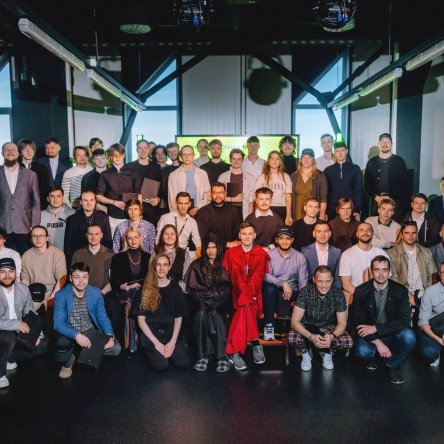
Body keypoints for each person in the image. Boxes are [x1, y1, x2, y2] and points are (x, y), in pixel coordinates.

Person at [350, 255, 416, 384]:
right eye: (377, 270)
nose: (381, 274)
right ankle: (373, 357)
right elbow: (358, 323)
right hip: (370, 335)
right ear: (371, 270)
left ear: (389, 271)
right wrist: (378, 343)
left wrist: (376, 328)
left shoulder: (400, 290)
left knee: (409, 336)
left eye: (384, 270)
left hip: (391, 332)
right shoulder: (361, 291)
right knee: (363, 352)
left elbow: (405, 320)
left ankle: (392, 365)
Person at [53, 262, 121, 379]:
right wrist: (76, 335)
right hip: (70, 333)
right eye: (77, 277)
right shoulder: (61, 295)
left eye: (84, 277)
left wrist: (109, 335)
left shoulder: (96, 293)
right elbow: (58, 324)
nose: (81, 281)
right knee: (61, 343)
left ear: (88, 278)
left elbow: (102, 317)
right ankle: (68, 362)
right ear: (70, 278)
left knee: (116, 347)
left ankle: (82, 353)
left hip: (89, 331)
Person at [131, 253, 190, 371]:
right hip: (151, 333)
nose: (161, 268)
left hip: (169, 332)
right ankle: (152, 352)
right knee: (161, 365)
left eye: (165, 265)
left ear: (169, 267)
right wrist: (157, 344)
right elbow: (141, 321)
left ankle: (170, 350)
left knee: (183, 363)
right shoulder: (145, 289)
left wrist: (172, 342)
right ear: (154, 267)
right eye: (158, 265)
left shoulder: (176, 289)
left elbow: (178, 318)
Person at [223, 222, 269, 371]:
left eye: (250, 234)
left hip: (255, 295)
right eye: (244, 234)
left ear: (254, 235)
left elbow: (257, 278)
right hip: (235, 294)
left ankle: (234, 350)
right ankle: (255, 342)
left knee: (245, 306)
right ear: (239, 236)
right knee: (245, 304)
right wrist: (245, 295)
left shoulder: (260, 253)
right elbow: (235, 277)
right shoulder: (231, 253)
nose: (247, 237)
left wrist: (248, 295)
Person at [289, 265, 352, 371]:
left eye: (327, 281)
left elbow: (342, 323)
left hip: (328, 327)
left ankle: (328, 354)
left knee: (347, 341)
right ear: (314, 280)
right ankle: (305, 354)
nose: (324, 285)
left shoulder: (338, 294)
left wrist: (332, 336)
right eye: (320, 281)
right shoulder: (305, 292)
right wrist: (311, 337)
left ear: (332, 280)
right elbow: (294, 322)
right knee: (292, 336)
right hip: (308, 327)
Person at [185, 234, 231, 372]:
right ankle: (203, 356)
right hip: (201, 303)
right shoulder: (196, 265)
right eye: (208, 248)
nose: (211, 251)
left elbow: (228, 288)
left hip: (221, 303)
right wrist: (207, 299)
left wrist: (214, 298)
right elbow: (192, 288)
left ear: (218, 248)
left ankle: (222, 357)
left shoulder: (225, 264)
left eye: (214, 247)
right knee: (201, 315)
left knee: (217, 314)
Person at [0, 258, 48, 389]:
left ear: (16, 272)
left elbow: (30, 312)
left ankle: (8, 357)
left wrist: (35, 334)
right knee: (7, 337)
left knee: (42, 345)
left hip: (18, 330)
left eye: (10, 271)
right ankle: (0, 374)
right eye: (2, 272)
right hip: (3, 331)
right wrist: (17, 324)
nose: (7, 275)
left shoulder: (23, 289)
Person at [263, 226, 308, 340]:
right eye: (281, 238)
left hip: (292, 292)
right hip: (274, 290)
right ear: (276, 240)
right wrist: (283, 283)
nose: (284, 241)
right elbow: (266, 275)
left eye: (287, 238)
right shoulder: (269, 255)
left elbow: (302, 282)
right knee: (269, 288)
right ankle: (269, 326)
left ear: (292, 240)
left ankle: (297, 330)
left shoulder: (300, 257)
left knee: (303, 294)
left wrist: (302, 299)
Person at [110, 227, 151, 351]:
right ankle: (133, 343)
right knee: (132, 298)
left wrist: (141, 286)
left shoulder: (148, 257)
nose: (133, 241)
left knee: (138, 296)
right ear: (126, 240)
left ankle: (136, 342)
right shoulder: (118, 257)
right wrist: (124, 286)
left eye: (136, 237)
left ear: (140, 238)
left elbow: (151, 278)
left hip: (143, 290)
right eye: (130, 238)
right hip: (125, 291)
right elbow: (114, 280)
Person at [0, 142, 40, 255]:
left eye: (13, 150)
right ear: (2, 153)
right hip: (3, 227)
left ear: (18, 153)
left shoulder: (31, 175)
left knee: (26, 258)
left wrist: (35, 225)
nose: (10, 152)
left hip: (25, 226)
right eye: (7, 150)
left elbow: (36, 202)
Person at [388, 221, 436, 307]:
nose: (410, 236)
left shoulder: (426, 252)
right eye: (407, 233)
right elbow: (393, 279)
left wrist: (428, 295)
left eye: (413, 233)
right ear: (401, 235)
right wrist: (409, 295)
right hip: (401, 296)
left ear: (417, 234)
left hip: (423, 295)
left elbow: (432, 276)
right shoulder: (392, 253)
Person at [339, 222, 389, 305]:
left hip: (378, 297)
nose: (365, 233)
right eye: (361, 230)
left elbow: (387, 280)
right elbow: (346, 284)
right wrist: (363, 297)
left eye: (368, 230)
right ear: (357, 234)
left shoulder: (382, 254)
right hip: (355, 295)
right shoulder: (347, 254)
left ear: (372, 234)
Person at [96, 143, 139, 236]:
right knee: (115, 243)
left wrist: (139, 213)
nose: (118, 158)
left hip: (131, 216)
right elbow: (98, 196)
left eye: (120, 155)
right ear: (111, 157)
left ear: (124, 155)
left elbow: (138, 194)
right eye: (115, 155)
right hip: (113, 216)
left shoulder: (133, 173)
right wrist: (114, 202)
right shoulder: (104, 174)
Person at [364, 133, 408, 222]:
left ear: (391, 144)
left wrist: (391, 197)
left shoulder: (399, 161)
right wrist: (376, 197)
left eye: (387, 142)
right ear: (378, 144)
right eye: (382, 142)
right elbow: (367, 185)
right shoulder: (371, 162)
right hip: (377, 203)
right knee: (376, 228)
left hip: (395, 203)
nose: (385, 144)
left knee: (395, 228)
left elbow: (404, 184)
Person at [21, 225, 67, 306]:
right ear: (31, 239)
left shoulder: (57, 254)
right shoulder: (26, 255)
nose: (38, 239)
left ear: (47, 238)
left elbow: (61, 278)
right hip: (34, 292)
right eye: (34, 236)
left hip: (53, 292)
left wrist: (51, 298)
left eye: (41, 236)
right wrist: (27, 298)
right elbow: (25, 279)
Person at [64, 190, 112, 267]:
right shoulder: (72, 220)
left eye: (91, 200)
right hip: (80, 260)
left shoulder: (103, 218)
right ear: (80, 202)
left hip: (100, 259)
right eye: (85, 200)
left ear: (95, 201)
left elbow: (108, 241)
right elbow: (69, 246)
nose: (89, 203)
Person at [124, 139, 162, 226]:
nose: (143, 151)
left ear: (149, 150)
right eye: (140, 148)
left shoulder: (156, 167)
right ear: (136, 150)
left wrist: (158, 199)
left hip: (151, 209)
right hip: (134, 209)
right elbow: (125, 188)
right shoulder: (129, 167)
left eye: (145, 148)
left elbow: (161, 189)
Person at [324, 141, 364, 221]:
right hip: (332, 208)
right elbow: (325, 192)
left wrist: (357, 209)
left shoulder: (355, 169)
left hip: (350, 208)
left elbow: (359, 190)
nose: (340, 153)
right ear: (334, 153)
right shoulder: (328, 170)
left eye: (342, 150)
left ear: (346, 151)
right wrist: (325, 211)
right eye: (337, 151)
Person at [168, 145, 211, 216]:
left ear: (193, 156)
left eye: (189, 154)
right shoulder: (173, 175)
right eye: (184, 154)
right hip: (180, 212)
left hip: (200, 210)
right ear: (181, 156)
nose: (187, 157)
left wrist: (197, 207)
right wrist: (176, 215)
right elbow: (172, 199)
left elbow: (207, 194)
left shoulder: (202, 173)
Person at [196, 182, 242, 249]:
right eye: (215, 193)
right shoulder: (202, 213)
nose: (218, 195)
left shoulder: (234, 211)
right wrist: (226, 244)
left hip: (230, 250)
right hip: (212, 250)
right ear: (211, 194)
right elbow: (205, 236)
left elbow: (237, 232)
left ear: (225, 194)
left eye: (221, 192)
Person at [156, 192, 202, 259]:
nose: (183, 207)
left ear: (189, 204)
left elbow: (198, 244)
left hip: (182, 254)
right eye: (180, 203)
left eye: (186, 203)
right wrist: (162, 255)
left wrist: (197, 258)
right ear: (176, 203)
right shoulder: (165, 218)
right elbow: (157, 239)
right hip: (165, 252)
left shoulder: (192, 222)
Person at [71, 224, 113, 294]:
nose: (93, 237)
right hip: (83, 293)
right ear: (86, 235)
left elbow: (113, 279)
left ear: (101, 235)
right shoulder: (77, 254)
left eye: (96, 234)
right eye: (90, 234)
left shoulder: (110, 254)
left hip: (104, 293)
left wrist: (102, 293)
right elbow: (73, 277)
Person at [254, 150, 292, 225]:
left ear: (280, 162)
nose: (275, 161)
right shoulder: (262, 177)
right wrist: (256, 214)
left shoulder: (286, 177)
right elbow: (256, 197)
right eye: (272, 158)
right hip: (266, 209)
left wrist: (288, 216)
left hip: (281, 210)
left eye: (277, 159)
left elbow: (288, 199)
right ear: (268, 161)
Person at [217, 148, 256, 221]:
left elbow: (251, 202)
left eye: (239, 159)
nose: (236, 162)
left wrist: (249, 219)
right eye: (234, 159)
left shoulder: (251, 178)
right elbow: (217, 197)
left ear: (242, 160)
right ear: (230, 160)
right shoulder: (222, 177)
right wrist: (232, 199)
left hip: (243, 213)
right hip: (225, 213)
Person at [418, 261, 444, 367]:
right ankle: (438, 350)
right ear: (439, 274)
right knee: (429, 352)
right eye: (443, 273)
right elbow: (423, 323)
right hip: (434, 328)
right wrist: (439, 340)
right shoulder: (430, 292)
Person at [302, 220, 342, 288]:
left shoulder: (336, 252)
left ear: (330, 234)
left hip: (331, 289)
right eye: (319, 231)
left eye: (325, 231)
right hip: (311, 290)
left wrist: (335, 291)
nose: (322, 235)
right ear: (314, 233)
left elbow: (337, 277)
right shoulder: (305, 251)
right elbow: (303, 277)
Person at [290, 148, 327, 221]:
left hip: (313, 214)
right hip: (296, 214)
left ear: (313, 160)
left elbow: (323, 198)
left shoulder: (320, 176)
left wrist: (322, 215)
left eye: (309, 158)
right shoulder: (294, 176)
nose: (306, 160)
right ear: (301, 159)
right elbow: (290, 197)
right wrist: (289, 215)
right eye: (304, 157)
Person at [155, 225, 192, 290]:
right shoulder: (155, 252)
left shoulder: (185, 254)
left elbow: (187, 276)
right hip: (157, 287)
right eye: (166, 234)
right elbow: (151, 273)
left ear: (176, 237)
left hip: (177, 288)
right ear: (162, 236)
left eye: (172, 234)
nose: (169, 236)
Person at [18, 138, 51, 210]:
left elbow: (46, 189)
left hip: (39, 207)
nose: (29, 152)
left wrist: (42, 206)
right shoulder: (15, 169)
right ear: (20, 151)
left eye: (31, 149)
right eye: (26, 149)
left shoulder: (42, 168)